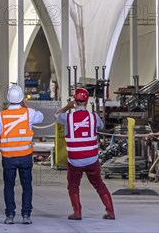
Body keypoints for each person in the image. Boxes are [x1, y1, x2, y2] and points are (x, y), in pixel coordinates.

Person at [56, 87, 115, 221]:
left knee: (73, 185)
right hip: (91, 159)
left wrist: (67, 106)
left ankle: (77, 213)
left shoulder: (68, 118)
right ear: (87, 101)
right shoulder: (93, 117)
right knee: (99, 184)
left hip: (75, 160)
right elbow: (100, 126)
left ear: (74, 101)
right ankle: (110, 212)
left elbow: (57, 116)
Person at [0, 85, 44, 225]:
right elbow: (41, 115)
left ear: (8, 99)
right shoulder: (29, 113)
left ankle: (10, 215)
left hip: (8, 158)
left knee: (8, 186)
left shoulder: (1, 115)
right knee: (27, 186)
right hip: (25, 156)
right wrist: (26, 104)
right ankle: (26, 215)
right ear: (21, 98)